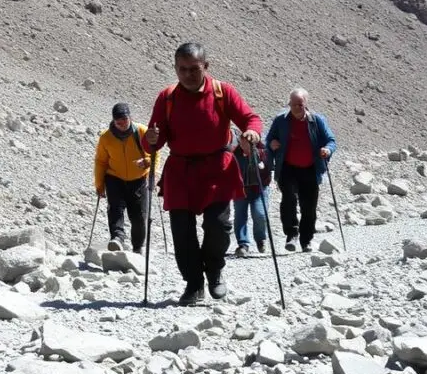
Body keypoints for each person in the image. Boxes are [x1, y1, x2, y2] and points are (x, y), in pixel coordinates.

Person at [143, 42, 263, 305]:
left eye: (194, 69)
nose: (188, 74)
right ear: (175, 68)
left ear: (206, 66)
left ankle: (215, 270)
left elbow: (251, 118)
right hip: (180, 172)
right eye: (182, 69)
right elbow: (154, 140)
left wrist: (252, 132)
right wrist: (150, 138)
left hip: (217, 169)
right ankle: (194, 284)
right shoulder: (167, 98)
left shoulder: (223, 92)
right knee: (182, 232)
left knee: (218, 226)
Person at [265, 88, 337, 253]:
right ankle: (291, 234)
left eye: (300, 104)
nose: (297, 107)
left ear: (306, 104)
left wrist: (327, 149)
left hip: (310, 168)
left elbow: (331, 140)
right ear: (289, 103)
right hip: (287, 167)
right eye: (294, 104)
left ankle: (306, 240)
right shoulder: (281, 120)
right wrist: (272, 144)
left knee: (309, 206)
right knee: (288, 199)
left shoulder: (317, 121)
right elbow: (269, 139)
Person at [94, 102, 151, 253]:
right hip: (114, 178)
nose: (122, 124)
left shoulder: (141, 131)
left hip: (138, 179)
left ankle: (137, 247)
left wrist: (147, 162)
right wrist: (99, 184)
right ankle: (117, 239)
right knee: (115, 209)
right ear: (113, 121)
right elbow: (101, 161)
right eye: (118, 122)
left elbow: (154, 153)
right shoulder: (106, 137)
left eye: (124, 120)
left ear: (130, 117)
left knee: (139, 216)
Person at [227, 125, 271, 257]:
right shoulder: (235, 154)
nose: (243, 145)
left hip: (259, 189)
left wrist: (256, 158)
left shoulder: (262, 152)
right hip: (241, 189)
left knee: (260, 214)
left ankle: (260, 239)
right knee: (240, 216)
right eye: (242, 142)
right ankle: (243, 244)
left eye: (246, 143)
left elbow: (268, 169)